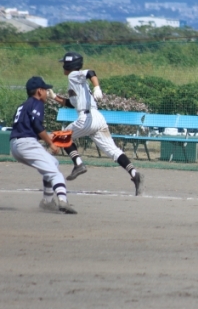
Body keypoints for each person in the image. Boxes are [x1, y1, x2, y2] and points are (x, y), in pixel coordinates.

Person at [50, 52, 145, 196]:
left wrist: (97, 87)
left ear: (69, 65)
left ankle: (78, 164)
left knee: (62, 136)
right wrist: (54, 97)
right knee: (113, 151)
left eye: (64, 63)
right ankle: (134, 174)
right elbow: (71, 103)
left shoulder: (73, 75)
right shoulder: (77, 84)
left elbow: (90, 72)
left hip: (87, 118)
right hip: (98, 118)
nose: (63, 66)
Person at [10, 76, 77, 214]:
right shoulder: (37, 103)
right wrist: (50, 143)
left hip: (15, 145)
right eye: (45, 90)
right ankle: (63, 200)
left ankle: (47, 201)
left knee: (54, 163)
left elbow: (27, 127)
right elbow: (36, 124)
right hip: (26, 144)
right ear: (39, 91)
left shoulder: (23, 105)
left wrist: (48, 137)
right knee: (55, 174)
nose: (47, 93)